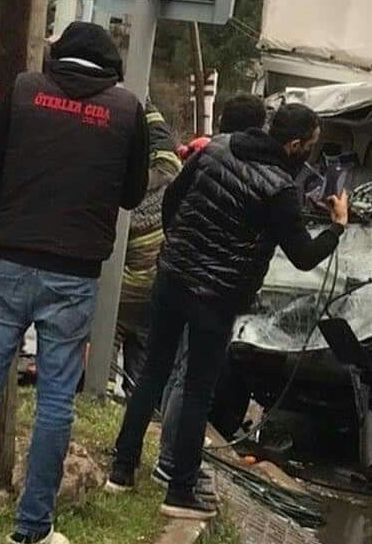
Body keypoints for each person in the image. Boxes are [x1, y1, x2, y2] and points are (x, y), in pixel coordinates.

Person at [0, 21, 149, 544]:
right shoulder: (127, 111)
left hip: (9, 257)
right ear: (111, 66)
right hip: (75, 269)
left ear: (60, 55)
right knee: (56, 400)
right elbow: (132, 193)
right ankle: (32, 527)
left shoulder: (24, 91)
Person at [107, 103, 349, 520]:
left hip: (172, 278)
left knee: (152, 374)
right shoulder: (280, 189)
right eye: (310, 146)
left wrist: (180, 249)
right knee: (197, 391)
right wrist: (337, 227)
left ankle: (121, 469)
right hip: (216, 299)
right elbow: (304, 256)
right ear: (294, 146)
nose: (311, 154)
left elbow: (172, 203)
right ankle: (180, 491)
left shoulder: (217, 149)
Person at [151, 94, 268, 501]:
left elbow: (172, 204)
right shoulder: (231, 163)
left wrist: (177, 249)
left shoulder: (205, 154)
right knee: (189, 377)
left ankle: (170, 457)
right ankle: (172, 463)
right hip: (207, 288)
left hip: (181, 276)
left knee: (175, 372)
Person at [116, 103, 182, 390]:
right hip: (154, 289)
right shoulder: (170, 177)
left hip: (117, 294)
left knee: (100, 360)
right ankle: (138, 401)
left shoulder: (118, 189)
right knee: (142, 369)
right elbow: (163, 143)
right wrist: (147, 106)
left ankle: (99, 391)